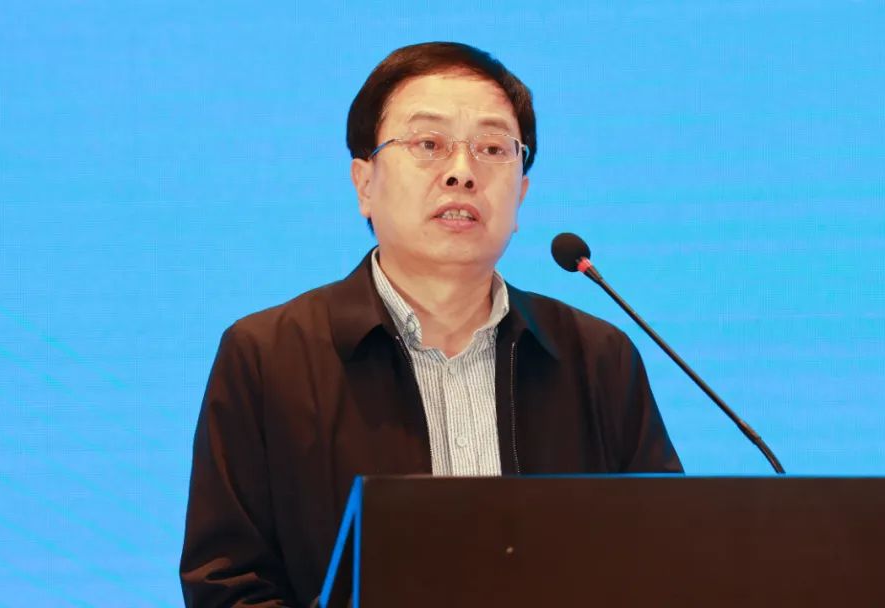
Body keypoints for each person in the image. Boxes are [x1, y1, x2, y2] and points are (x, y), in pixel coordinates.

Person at [179, 41, 682, 608]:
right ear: (364, 183)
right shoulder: (267, 358)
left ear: (521, 193)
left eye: (492, 148)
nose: (462, 173)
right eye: (428, 144)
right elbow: (228, 586)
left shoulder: (597, 357)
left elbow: (662, 559)